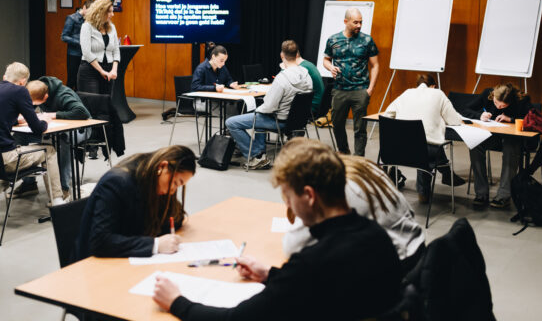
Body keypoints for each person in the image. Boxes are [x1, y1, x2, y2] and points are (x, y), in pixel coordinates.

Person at [153, 138, 402, 320]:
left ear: (309, 195)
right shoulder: (375, 235)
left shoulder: (312, 263)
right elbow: (317, 288)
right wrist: (269, 274)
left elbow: (235, 319)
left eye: (287, 196)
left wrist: (176, 301)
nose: (287, 205)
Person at [283, 154, 425, 271]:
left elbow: (294, 245)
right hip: (414, 247)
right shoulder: (361, 166)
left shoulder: (344, 187)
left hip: (399, 264)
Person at [0, 62, 65, 226]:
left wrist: (15, 119)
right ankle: (58, 202)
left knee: (19, 156)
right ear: (23, 83)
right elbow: (37, 128)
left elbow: (1, 114)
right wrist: (44, 121)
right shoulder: (19, 91)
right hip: (5, 159)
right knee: (48, 150)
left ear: (4, 77)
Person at [74, 146, 196, 260]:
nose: (173, 191)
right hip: (93, 265)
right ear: (162, 167)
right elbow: (101, 241)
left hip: (127, 258)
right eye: (175, 183)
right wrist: (155, 245)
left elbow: (174, 217)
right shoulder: (117, 182)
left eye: (179, 186)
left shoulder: (154, 177)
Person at [226, 40, 313, 170]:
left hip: (280, 121)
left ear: (282, 55)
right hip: (298, 121)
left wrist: (257, 109)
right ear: (297, 55)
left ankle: (257, 155)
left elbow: (269, 107)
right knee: (261, 117)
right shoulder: (306, 75)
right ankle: (260, 153)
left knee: (232, 122)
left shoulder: (281, 78)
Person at [383, 73, 467, 203]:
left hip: (397, 150)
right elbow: (454, 120)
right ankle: (441, 176)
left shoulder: (407, 93)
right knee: (429, 143)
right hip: (423, 152)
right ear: (433, 86)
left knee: (420, 142)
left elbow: (387, 114)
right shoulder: (438, 94)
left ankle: (444, 175)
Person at [15, 77, 91, 200]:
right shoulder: (36, 89)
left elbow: (82, 112)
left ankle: (63, 189)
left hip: (81, 129)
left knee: (63, 139)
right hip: (53, 128)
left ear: (45, 98)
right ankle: (29, 184)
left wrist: (53, 115)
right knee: (20, 136)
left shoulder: (63, 94)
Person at [461, 83, 532, 209]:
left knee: (511, 148)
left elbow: (531, 119)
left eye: (503, 106)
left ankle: (503, 196)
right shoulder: (487, 93)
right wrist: (479, 115)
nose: (498, 107)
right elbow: (465, 109)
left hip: (512, 138)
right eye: (496, 103)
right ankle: (481, 193)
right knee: (475, 143)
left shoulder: (521, 99)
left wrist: (511, 119)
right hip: (493, 135)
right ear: (493, 95)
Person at [323, 8, 380, 156]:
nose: (359, 25)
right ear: (346, 22)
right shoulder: (333, 39)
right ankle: (344, 151)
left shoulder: (367, 40)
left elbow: (375, 65)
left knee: (360, 128)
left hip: (360, 90)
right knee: (337, 124)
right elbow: (326, 59)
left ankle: (359, 158)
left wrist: (370, 88)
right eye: (355, 22)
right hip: (339, 89)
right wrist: (330, 67)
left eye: (361, 22)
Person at [78, 0, 120, 95]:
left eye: (112, 11)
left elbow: (116, 50)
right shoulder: (86, 26)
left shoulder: (112, 27)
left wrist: (114, 70)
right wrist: (101, 71)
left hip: (108, 71)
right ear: (100, 12)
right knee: (93, 106)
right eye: (109, 12)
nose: (112, 14)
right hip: (89, 71)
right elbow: (86, 53)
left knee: (105, 105)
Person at [61, 0, 93, 90]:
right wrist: (80, 42)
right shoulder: (71, 18)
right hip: (74, 54)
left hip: (85, 54)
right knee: (72, 80)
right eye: (89, 11)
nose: (91, 14)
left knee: (82, 81)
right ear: (84, 8)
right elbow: (64, 36)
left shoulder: (89, 20)